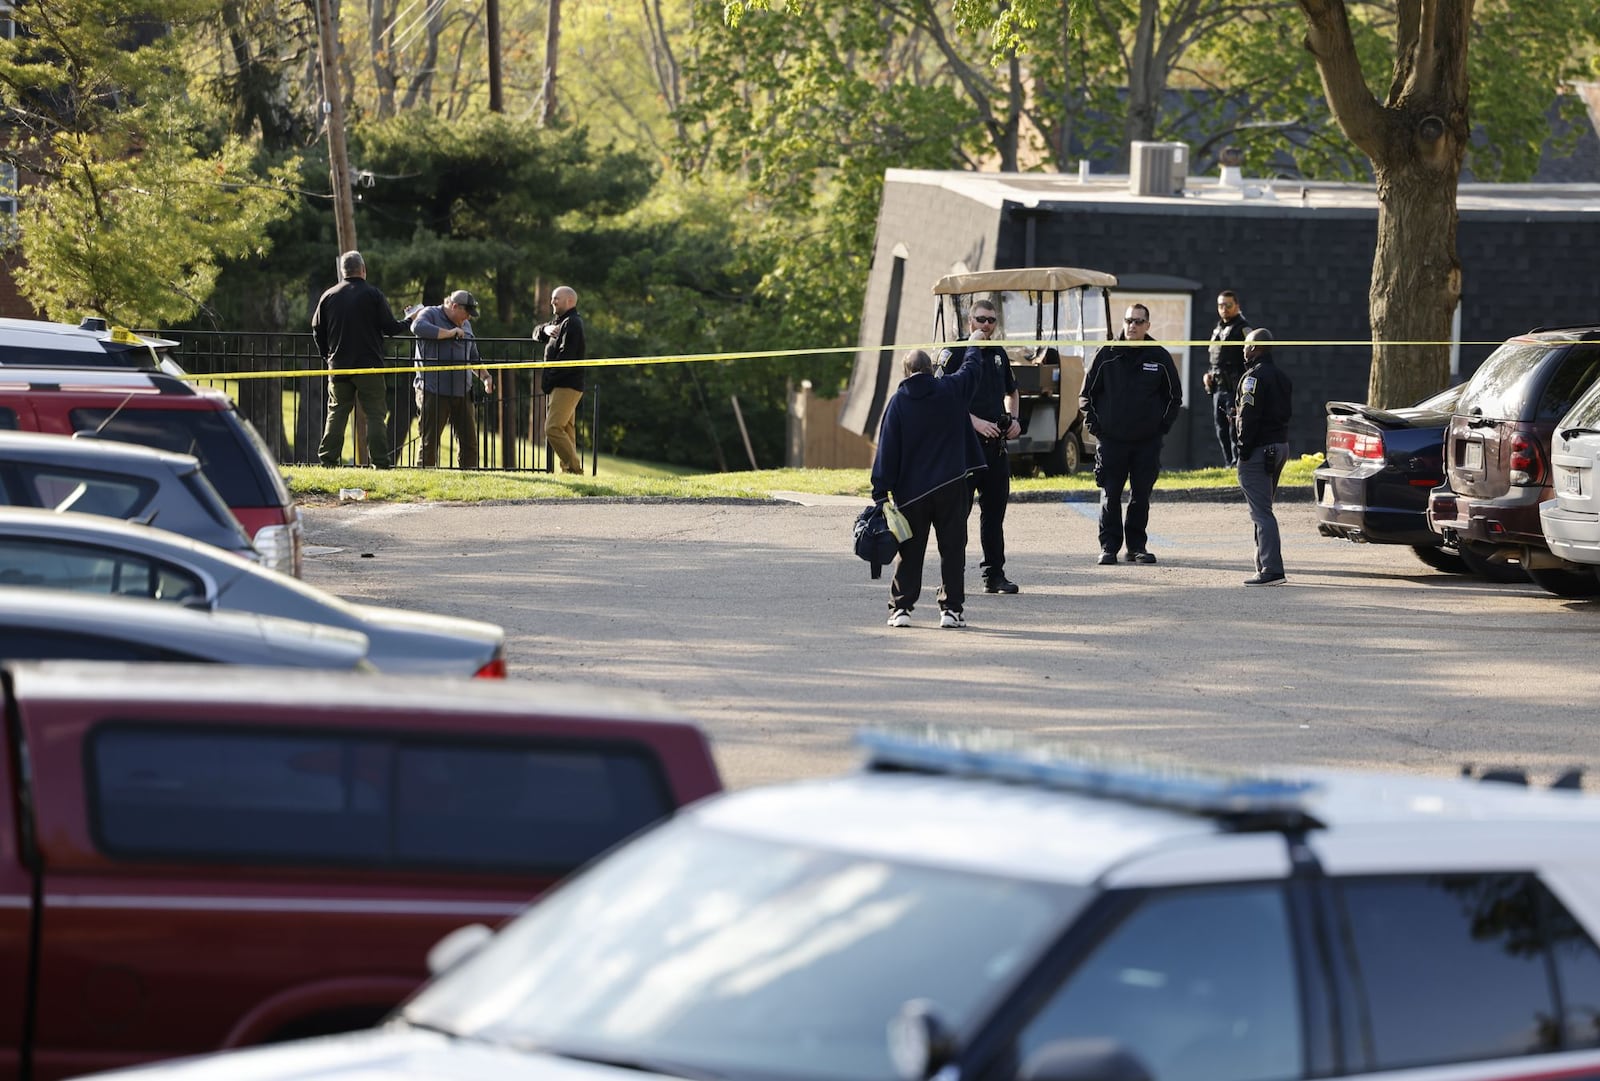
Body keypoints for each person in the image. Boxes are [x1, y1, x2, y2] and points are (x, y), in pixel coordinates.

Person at [871, 347, 988, 628]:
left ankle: (901, 608)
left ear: (906, 371)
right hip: (951, 484)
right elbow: (971, 370)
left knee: (910, 551)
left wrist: (880, 491)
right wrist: (972, 344)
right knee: (952, 549)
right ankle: (951, 610)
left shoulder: (898, 402)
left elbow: (887, 448)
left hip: (911, 492)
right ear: (931, 368)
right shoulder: (950, 390)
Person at [1080, 302, 1182, 566]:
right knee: (1110, 495)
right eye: (1128, 321)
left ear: (1148, 325)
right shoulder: (1106, 354)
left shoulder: (1158, 356)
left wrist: (1160, 429)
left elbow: (1174, 397)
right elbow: (1085, 396)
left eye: (1138, 321)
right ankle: (1109, 548)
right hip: (1112, 441)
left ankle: (1137, 547)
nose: (1132, 326)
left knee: (1140, 497)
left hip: (1146, 442)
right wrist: (1097, 429)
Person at [935, 299, 1020, 594]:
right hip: (963, 447)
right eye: (981, 320)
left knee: (994, 516)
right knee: (957, 517)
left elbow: (1012, 390)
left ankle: (994, 576)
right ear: (969, 322)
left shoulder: (998, 353)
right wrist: (975, 422)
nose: (986, 326)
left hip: (995, 448)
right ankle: (951, 578)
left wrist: (1014, 419)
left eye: (991, 321)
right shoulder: (954, 353)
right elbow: (941, 399)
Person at [312, 251, 410, 469]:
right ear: (363, 269)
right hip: (370, 366)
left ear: (342, 271)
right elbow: (390, 328)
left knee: (337, 412)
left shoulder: (329, 296)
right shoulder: (373, 295)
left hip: (339, 366)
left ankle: (328, 460)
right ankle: (380, 462)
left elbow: (316, 329)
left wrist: (327, 355)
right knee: (375, 414)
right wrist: (408, 320)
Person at [1234, 328, 1293, 586]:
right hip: (1280, 446)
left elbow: (1249, 415)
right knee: (1263, 509)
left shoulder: (1253, 378)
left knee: (1261, 512)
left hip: (1259, 449)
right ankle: (1264, 564)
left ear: (1255, 348)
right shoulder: (1281, 376)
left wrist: (1243, 449)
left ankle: (1271, 569)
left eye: (1246, 345)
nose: (1243, 349)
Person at [411, 290, 494, 469]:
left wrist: (486, 377)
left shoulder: (465, 325)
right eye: (467, 313)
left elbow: (473, 356)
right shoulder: (431, 313)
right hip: (433, 390)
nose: (468, 318)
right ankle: (424, 475)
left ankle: (468, 477)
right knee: (429, 441)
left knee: (470, 443)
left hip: (462, 391)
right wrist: (450, 333)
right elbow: (417, 327)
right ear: (454, 306)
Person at [532, 286, 587, 474]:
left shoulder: (572, 323)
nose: (552, 302)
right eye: (552, 299)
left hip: (567, 384)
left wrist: (549, 379)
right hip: (559, 384)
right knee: (566, 429)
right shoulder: (560, 321)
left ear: (569, 301)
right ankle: (569, 472)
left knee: (552, 428)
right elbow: (535, 333)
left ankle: (574, 469)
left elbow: (566, 357)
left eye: (556, 299)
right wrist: (545, 329)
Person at [1203, 290, 1252, 467]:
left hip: (1234, 387)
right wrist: (1208, 374)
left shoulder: (1243, 328)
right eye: (1220, 305)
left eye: (1228, 305)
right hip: (1217, 387)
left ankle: (1238, 462)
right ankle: (1228, 463)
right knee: (1220, 428)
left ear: (1237, 306)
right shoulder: (1218, 329)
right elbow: (1215, 358)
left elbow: (1253, 356)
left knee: (1234, 428)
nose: (1224, 309)